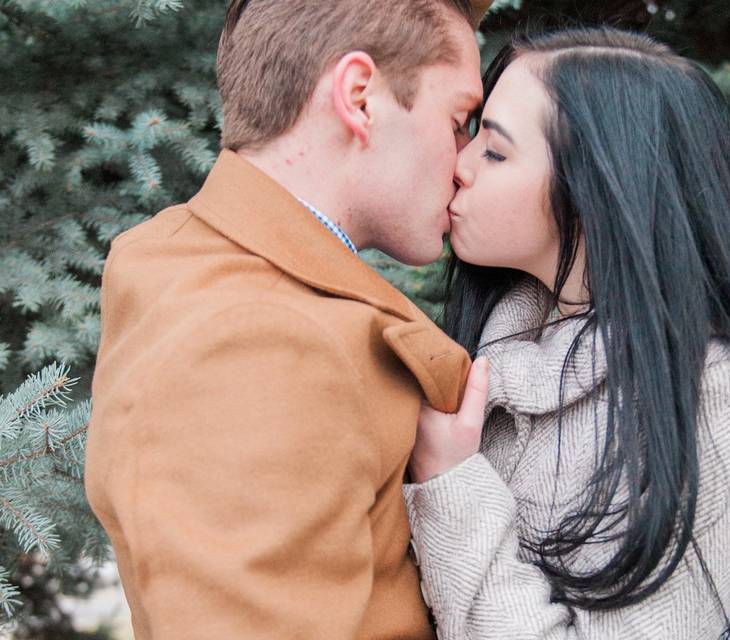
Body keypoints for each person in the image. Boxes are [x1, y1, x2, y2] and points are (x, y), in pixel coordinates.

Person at [404, 27, 730, 639]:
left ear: (598, 192)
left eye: (496, 152)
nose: (461, 164)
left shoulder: (711, 395)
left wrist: (451, 484)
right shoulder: (491, 346)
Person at [84, 0, 492, 637]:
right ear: (360, 97)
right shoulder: (254, 337)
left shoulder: (199, 262)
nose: (467, 162)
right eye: (461, 120)